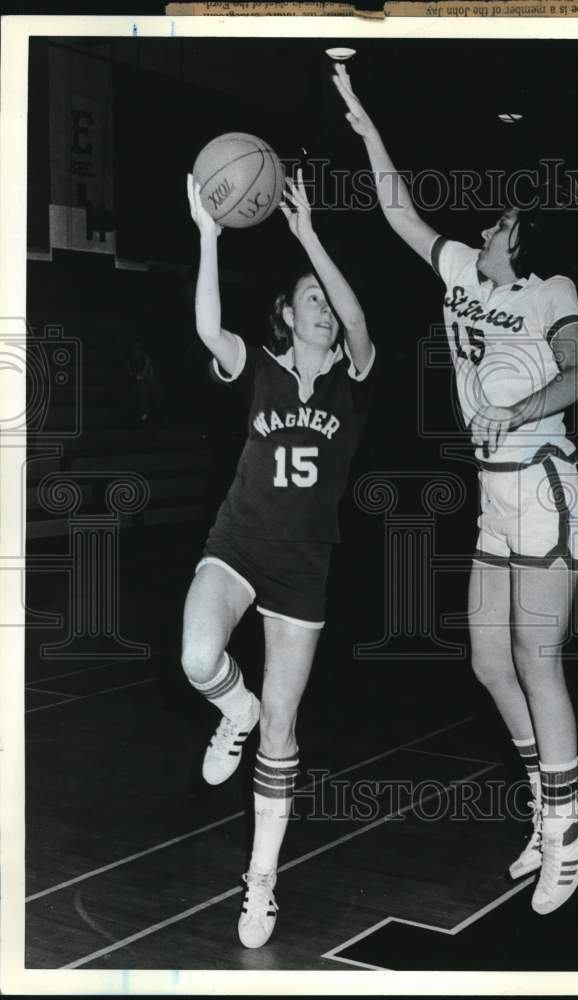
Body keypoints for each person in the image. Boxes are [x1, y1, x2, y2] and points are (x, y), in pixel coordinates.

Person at [333, 63, 578, 916]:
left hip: (543, 486)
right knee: (488, 660)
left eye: (505, 220)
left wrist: (515, 409)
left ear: (519, 238)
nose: (490, 223)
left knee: (535, 657)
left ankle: (568, 830)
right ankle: (551, 808)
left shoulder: (549, 292)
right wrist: (363, 122)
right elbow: (397, 208)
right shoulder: (457, 271)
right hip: (495, 496)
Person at [181, 169, 374, 947]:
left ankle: (260, 883)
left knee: (284, 734)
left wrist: (309, 237)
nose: (325, 311)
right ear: (286, 316)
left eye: (327, 302)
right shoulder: (257, 366)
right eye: (311, 302)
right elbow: (205, 328)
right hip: (238, 543)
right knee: (199, 658)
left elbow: (358, 315)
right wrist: (207, 235)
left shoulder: (353, 381)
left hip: (303, 566)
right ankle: (234, 706)